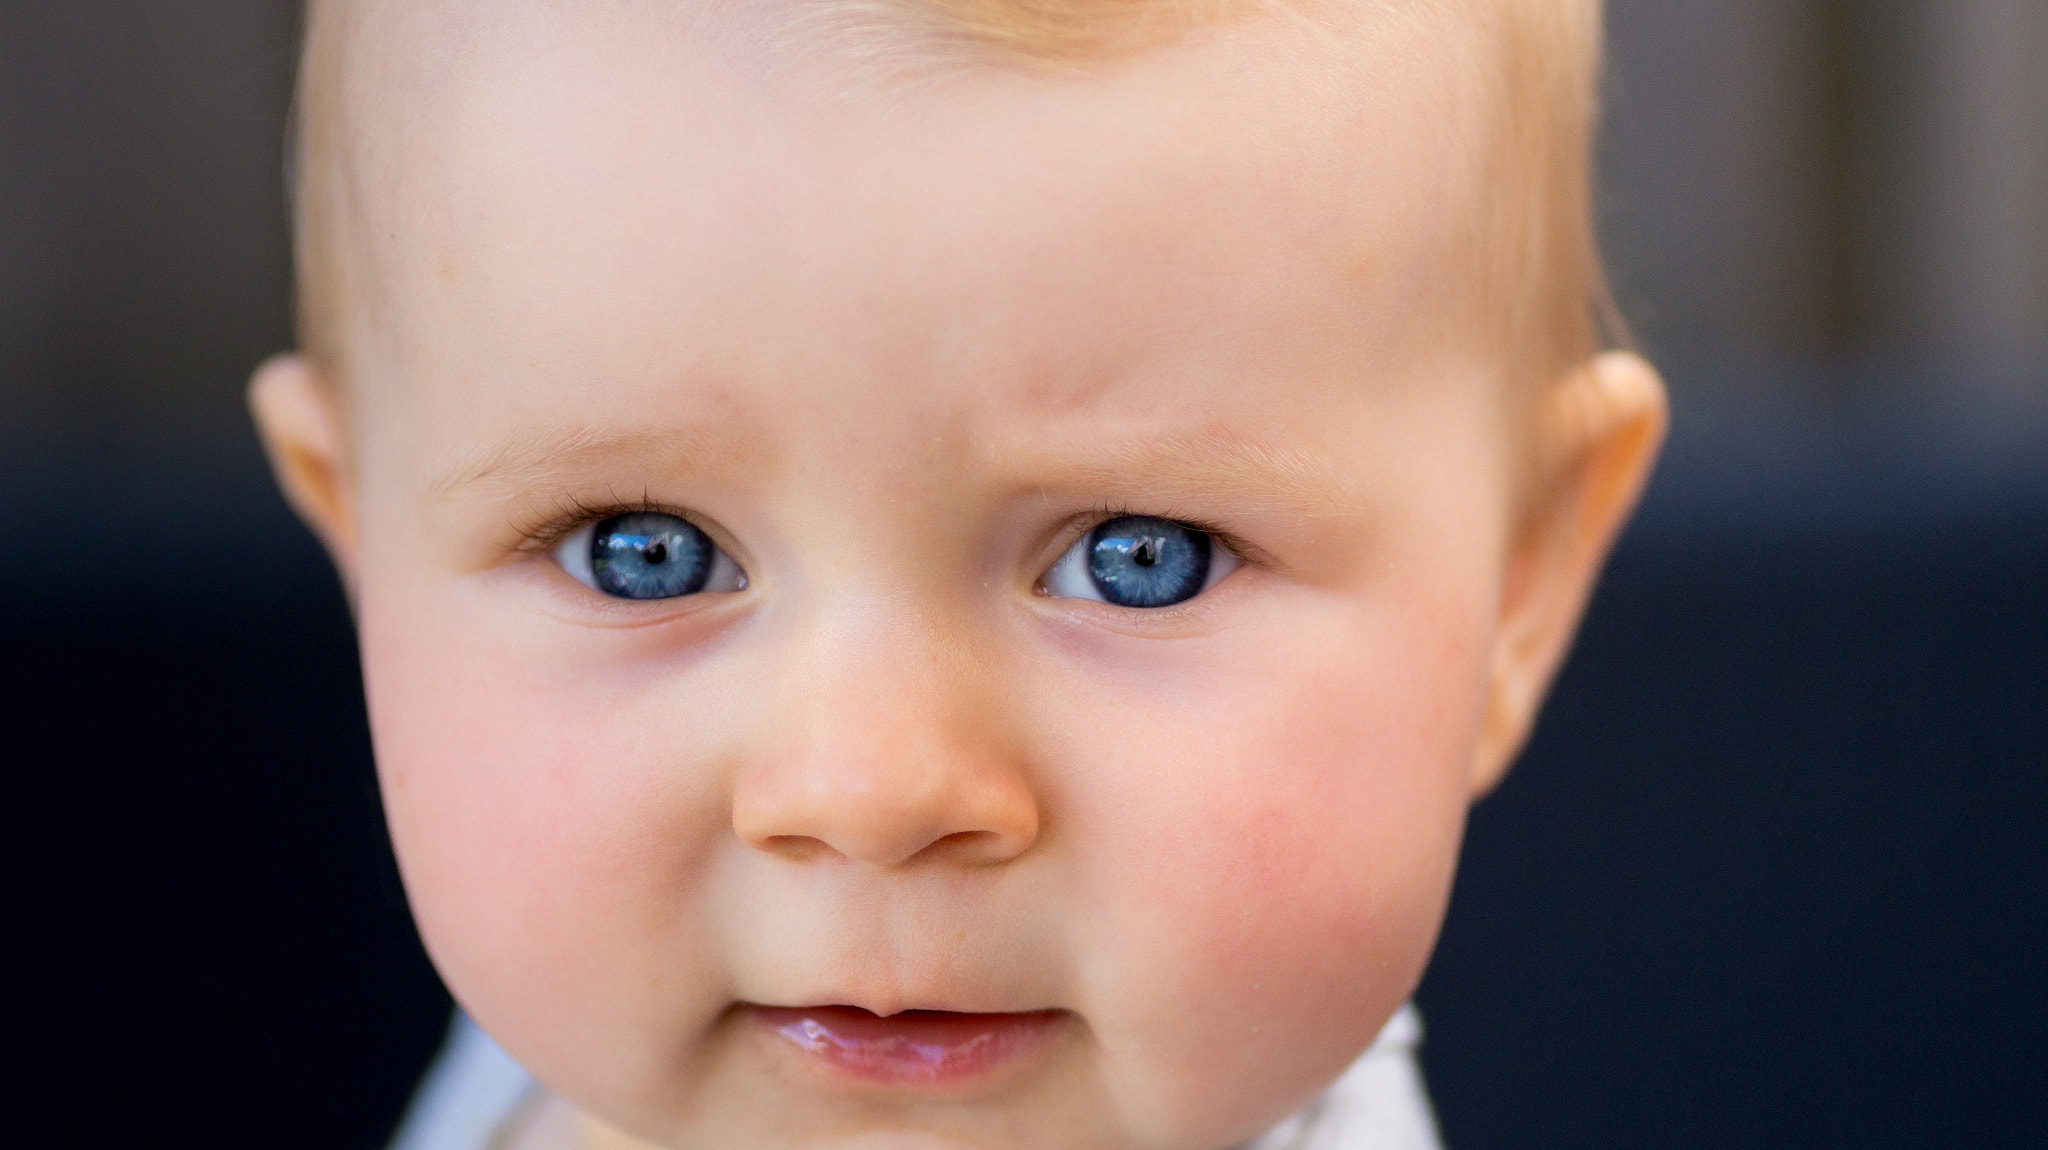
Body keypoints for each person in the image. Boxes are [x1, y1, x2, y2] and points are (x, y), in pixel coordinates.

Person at [248, 1, 1667, 1146]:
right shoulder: (553, 1049)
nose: (871, 791)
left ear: (1518, 581)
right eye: (643, 553)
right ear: (367, 544)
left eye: (1139, 560)